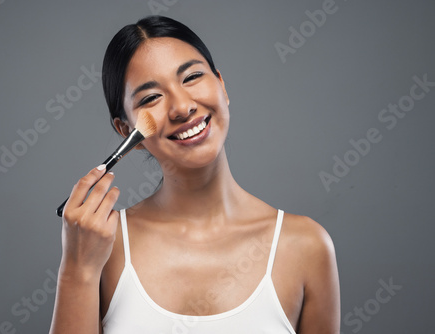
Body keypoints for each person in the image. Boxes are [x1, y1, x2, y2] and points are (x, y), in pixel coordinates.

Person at [49, 15, 340, 334]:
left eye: (191, 77)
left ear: (222, 86)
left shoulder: (305, 246)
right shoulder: (101, 246)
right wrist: (76, 271)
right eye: (151, 98)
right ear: (126, 131)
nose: (182, 107)